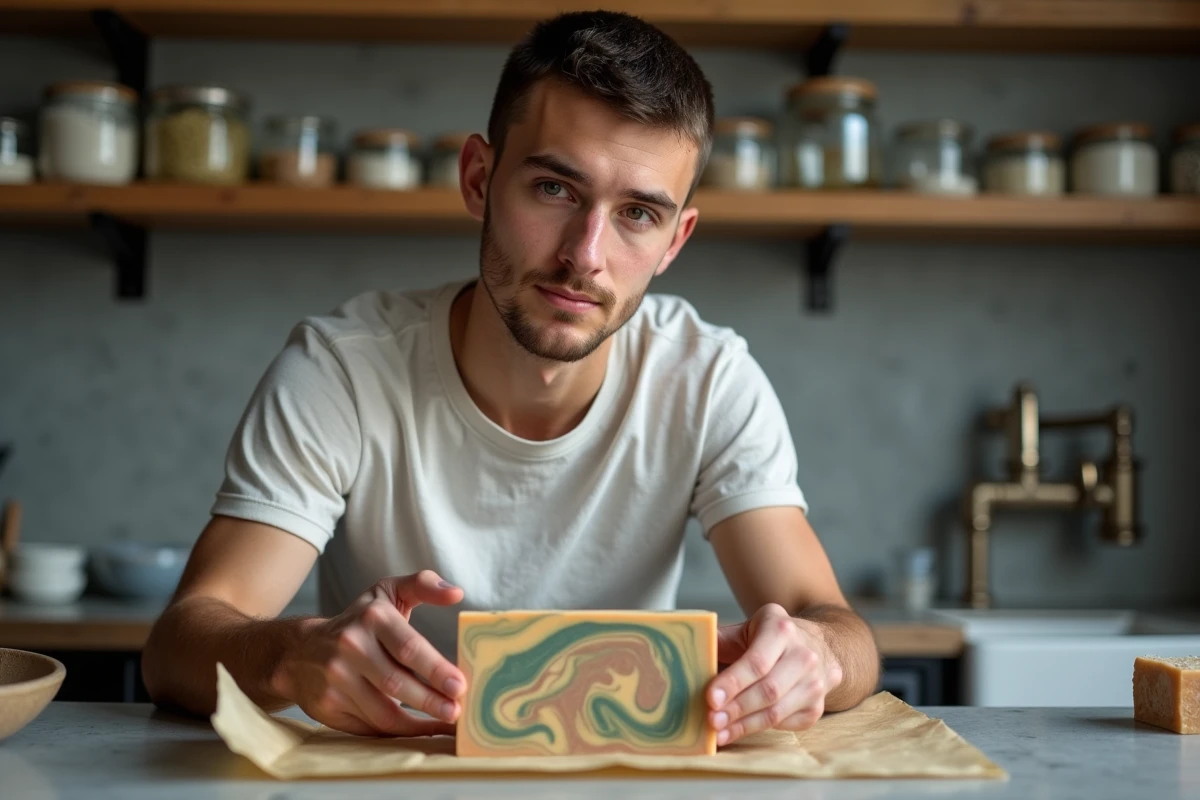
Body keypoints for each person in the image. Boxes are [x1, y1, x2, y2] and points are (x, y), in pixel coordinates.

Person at [142, 10, 880, 747]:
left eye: (637, 214)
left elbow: (838, 627)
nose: (586, 255)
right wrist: (290, 658)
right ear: (479, 179)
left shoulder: (708, 379)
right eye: (555, 189)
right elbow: (177, 645)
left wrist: (813, 657)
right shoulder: (341, 370)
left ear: (673, 241)